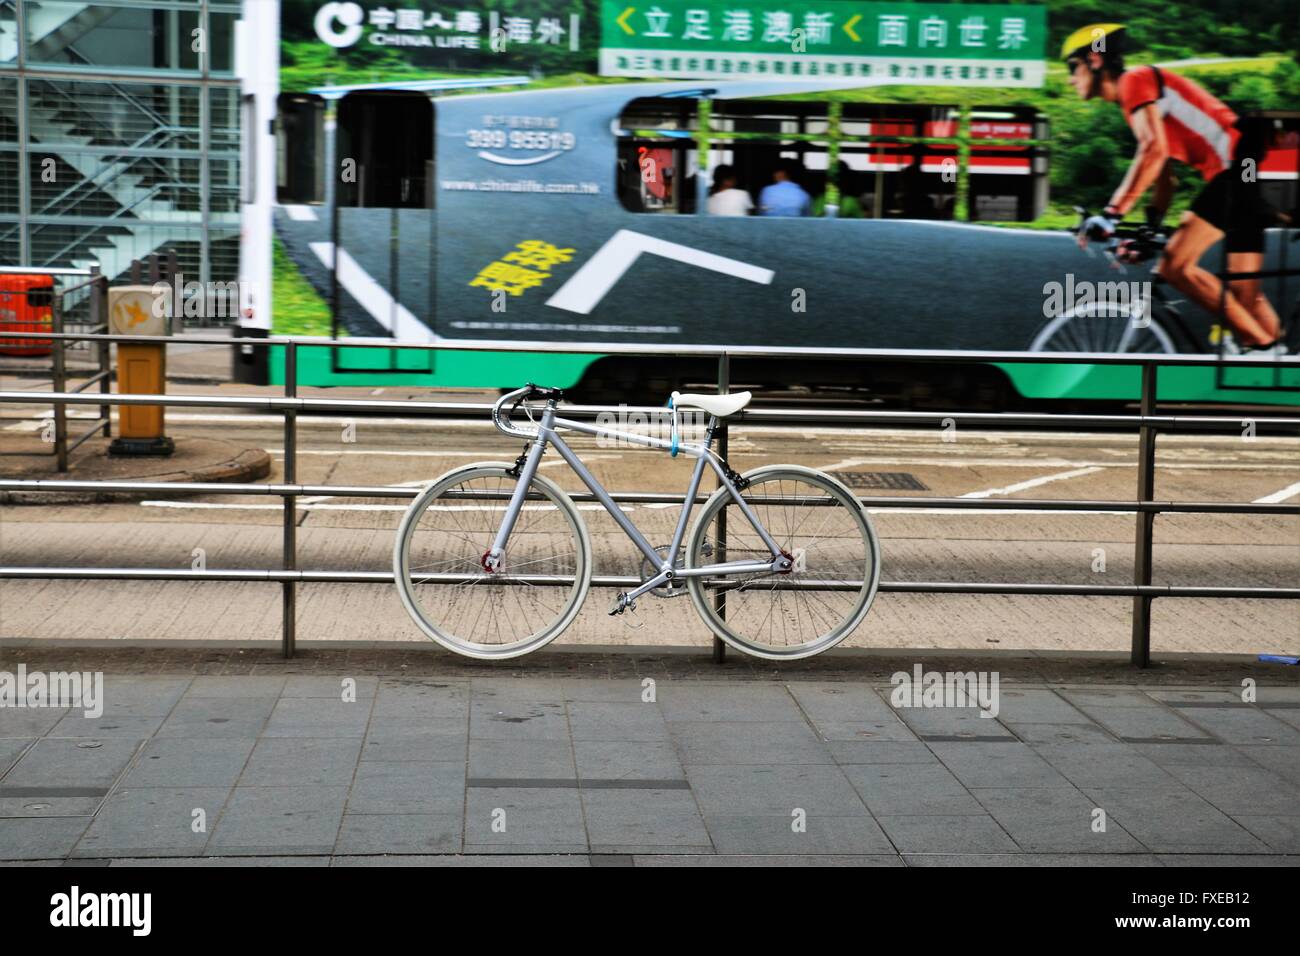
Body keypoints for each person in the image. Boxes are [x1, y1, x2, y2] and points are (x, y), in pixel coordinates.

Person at [1064, 23, 1283, 351]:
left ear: (1095, 61)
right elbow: (1165, 178)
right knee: (1244, 298)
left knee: (1176, 267)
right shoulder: (1136, 102)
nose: (1070, 78)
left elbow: (1153, 150)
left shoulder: (1134, 81)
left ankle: (1261, 350)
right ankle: (1280, 362)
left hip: (1241, 165)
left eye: (1073, 67)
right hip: (1252, 166)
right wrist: (1148, 231)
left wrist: (1111, 214)